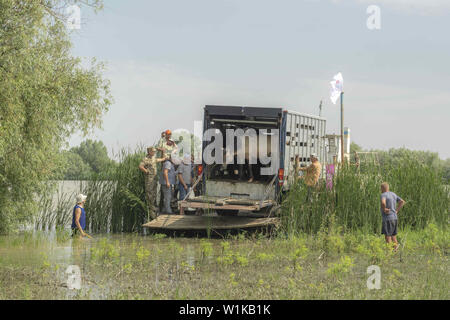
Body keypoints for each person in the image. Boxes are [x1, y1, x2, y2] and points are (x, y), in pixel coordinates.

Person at [139, 147, 167, 219]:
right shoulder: (146, 159)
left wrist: (163, 151)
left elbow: (162, 159)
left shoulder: (154, 158)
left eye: (155, 151)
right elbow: (140, 166)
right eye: (153, 151)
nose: (154, 152)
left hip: (154, 179)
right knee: (149, 193)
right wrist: (146, 171)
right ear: (149, 152)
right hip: (149, 179)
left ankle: (154, 208)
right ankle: (151, 210)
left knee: (154, 193)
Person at [380, 182, 406, 251]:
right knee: (393, 235)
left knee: (387, 236)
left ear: (382, 188)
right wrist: (396, 210)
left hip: (387, 218)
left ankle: (389, 251)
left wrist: (384, 209)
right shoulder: (393, 194)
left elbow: (383, 202)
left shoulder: (383, 195)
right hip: (394, 218)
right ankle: (395, 249)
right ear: (388, 188)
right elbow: (402, 201)